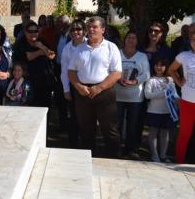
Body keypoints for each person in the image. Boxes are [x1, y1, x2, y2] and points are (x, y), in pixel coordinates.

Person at [68, 16, 122, 158]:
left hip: (104, 93)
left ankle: (113, 160)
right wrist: (78, 86)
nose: (91, 30)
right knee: (86, 130)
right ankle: (87, 160)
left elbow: (116, 73)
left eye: (95, 27)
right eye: (89, 27)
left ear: (102, 29)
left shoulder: (111, 47)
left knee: (109, 129)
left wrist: (99, 88)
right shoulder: (79, 49)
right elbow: (71, 71)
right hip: (83, 93)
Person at [114, 31, 150, 159]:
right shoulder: (117, 53)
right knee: (117, 124)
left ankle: (131, 149)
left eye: (134, 38)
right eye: (129, 37)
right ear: (125, 40)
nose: (131, 40)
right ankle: (116, 148)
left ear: (137, 41)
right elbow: (109, 69)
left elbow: (146, 74)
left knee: (133, 124)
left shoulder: (142, 56)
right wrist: (118, 80)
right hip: (118, 95)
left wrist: (134, 81)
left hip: (135, 97)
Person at [13, 21, 55, 111]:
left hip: (44, 82)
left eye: (35, 31)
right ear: (25, 32)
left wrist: (41, 46)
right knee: (29, 107)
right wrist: (41, 52)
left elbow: (51, 56)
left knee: (44, 109)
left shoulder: (42, 42)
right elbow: (28, 56)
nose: (33, 33)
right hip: (27, 83)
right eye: (30, 31)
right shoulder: (20, 44)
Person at [169, 29, 195, 164]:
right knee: (184, 134)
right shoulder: (184, 56)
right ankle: (179, 161)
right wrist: (179, 82)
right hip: (188, 102)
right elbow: (171, 69)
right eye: (193, 40)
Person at [144, 59, 178, 163]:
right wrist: (163, 93)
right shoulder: (151, 80)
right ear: (154, 66)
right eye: (157, 65)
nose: (159, 67)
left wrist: (178, 100)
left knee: (165, 133)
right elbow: (147, 95)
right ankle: (154, 156)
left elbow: (175, 94)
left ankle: (163, 155)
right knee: (153, 133)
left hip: (167, 111)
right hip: (154, 111)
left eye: (162, 65)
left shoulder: (170, 80)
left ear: (166, 67)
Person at [60, 19, 87, 148]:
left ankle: (88, 144)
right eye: (73, 30)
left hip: (89, 85)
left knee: (88, 117)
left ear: (84, 31)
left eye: (79, 29)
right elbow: (64, 71)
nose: (76, 32)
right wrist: (66, 89)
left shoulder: (90, 45)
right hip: (73, 86)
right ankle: (74, 144)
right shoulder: (67, 48)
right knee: (74, 116)